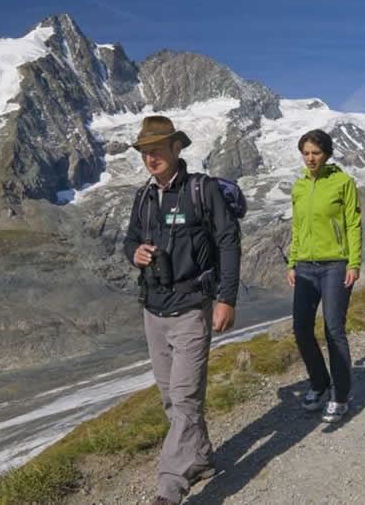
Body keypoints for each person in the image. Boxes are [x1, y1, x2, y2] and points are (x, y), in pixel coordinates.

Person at [123, 116, 241, 505]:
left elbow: (228, 242)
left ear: (177, 148)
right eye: (145, 151)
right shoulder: (142, 197)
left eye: (158, 148)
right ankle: (202, 458)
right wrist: (135, 254)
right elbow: (130, 240)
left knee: (186, 398)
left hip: (193, 308)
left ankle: (169, 489)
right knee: (172, 400)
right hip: (153, 310)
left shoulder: (201, 190)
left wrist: (226, 299)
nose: (151, 156)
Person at [287, 129, 361, 423]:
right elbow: (296, 228)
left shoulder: (343, 182)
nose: (310, 158)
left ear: (327, 153)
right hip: (305, 266)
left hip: (335, 265)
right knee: (301, 328)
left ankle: (341, 395)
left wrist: (353, 263)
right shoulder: (299, 187)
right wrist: (292, 262)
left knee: (333, 329)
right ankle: (319, 382)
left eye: (315, 153)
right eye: (305, 153)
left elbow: (353, 223)